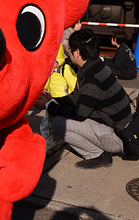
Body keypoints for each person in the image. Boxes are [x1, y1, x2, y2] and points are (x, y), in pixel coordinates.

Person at [36, 28, 132, 169]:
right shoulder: (95, 66)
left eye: (69, 49)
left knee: (59, 123)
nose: (67, 52)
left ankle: (98, 155)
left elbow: (79, 114)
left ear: (77, 53)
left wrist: (49, 105)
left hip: (118, 136)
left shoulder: (94, 79)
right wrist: (54, 100)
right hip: (117, 126)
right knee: (62, 115)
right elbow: (78, 100)